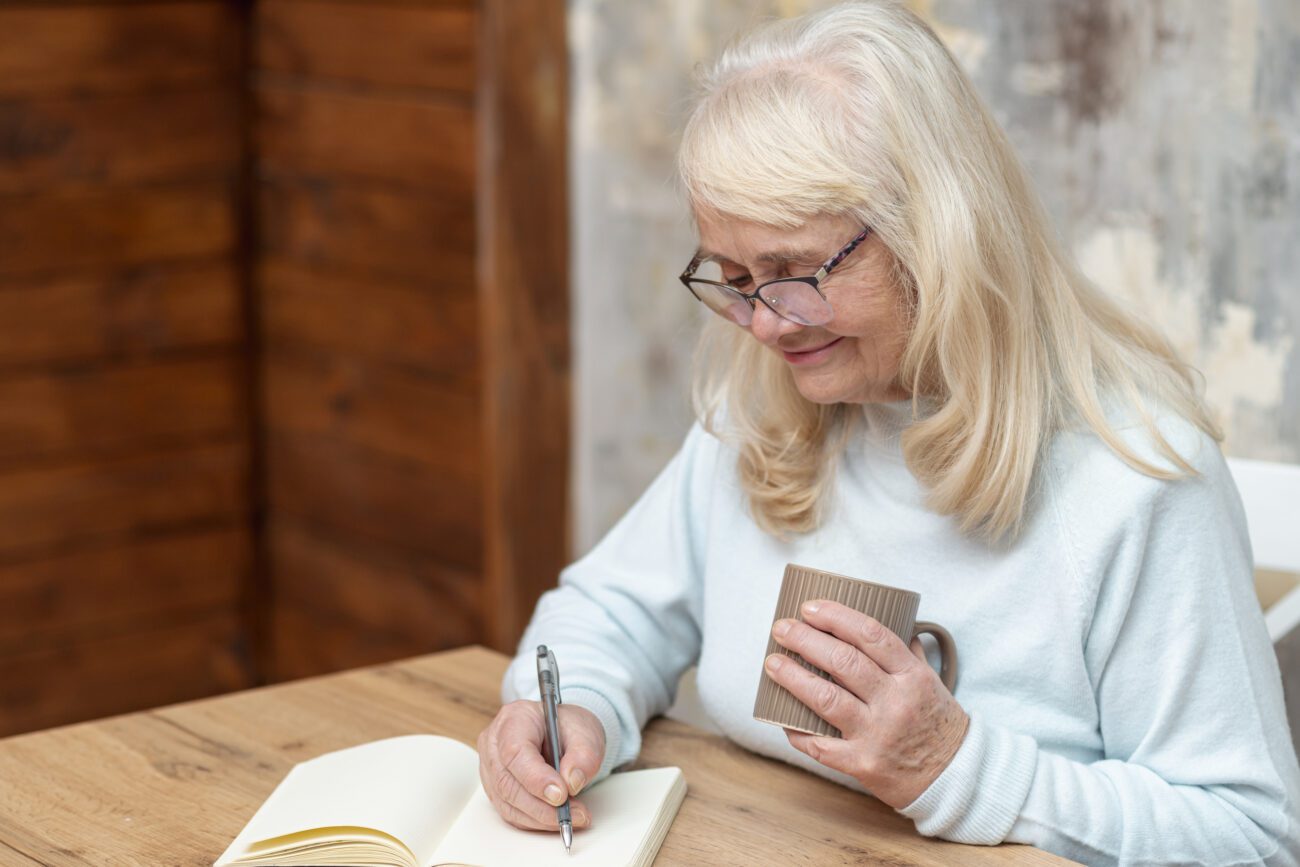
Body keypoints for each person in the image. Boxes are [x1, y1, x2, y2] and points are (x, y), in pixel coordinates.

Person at [474, 2, 1300, 863]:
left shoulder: (1137, 479)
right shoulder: (761, 408)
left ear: (937, 228)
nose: (765, 324)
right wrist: (574, 706)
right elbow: (610, 611)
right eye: (735, 276)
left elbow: (1249, 835)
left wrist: (958, 766)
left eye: (798, 271)